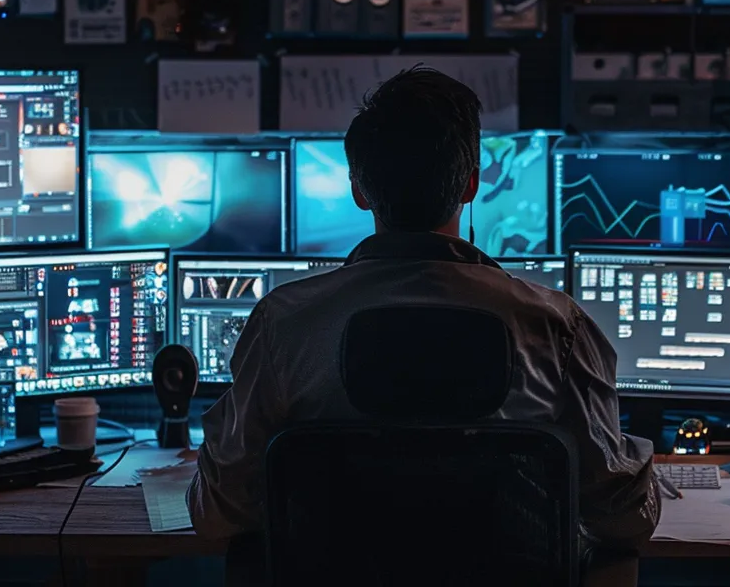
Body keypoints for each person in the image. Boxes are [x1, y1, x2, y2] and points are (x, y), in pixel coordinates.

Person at [187, 66, 661, 549]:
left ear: (358, 189)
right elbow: (624, 517)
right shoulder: (557, 326)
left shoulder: (282, 323)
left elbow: (221, 515)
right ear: (471, 185)